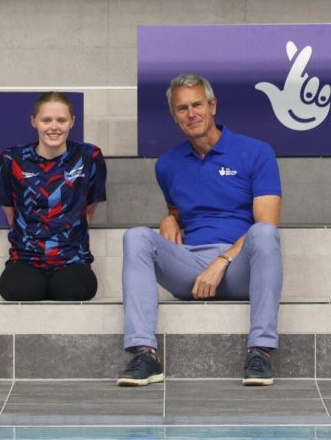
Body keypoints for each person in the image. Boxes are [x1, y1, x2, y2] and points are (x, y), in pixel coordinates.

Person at [117, 74, 282, 387]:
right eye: (182, 109)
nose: (191, 114)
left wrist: (221, 263)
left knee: (265, 234)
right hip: (191, 269)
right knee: (136, 235)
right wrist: (170, 219)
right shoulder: (167, 164)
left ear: (212, 105)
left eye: (196, 105)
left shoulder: (257, 153)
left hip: (239, 267)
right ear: (174, 116)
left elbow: (267, 223)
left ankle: (260, 351)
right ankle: (144, 354)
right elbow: (180, 209)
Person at [0, 91, 107, 301]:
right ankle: (39, 282)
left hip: (72, 259)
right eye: (46, 120)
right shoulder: (12, 159)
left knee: (75, 290)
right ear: (33, 121)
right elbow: (10, 213)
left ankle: (56, 283)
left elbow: (89, 209)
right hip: (26, 259)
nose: (54, 127)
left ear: (72, 122)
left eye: (61, 120)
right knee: (18, 290)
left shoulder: (89, 157)